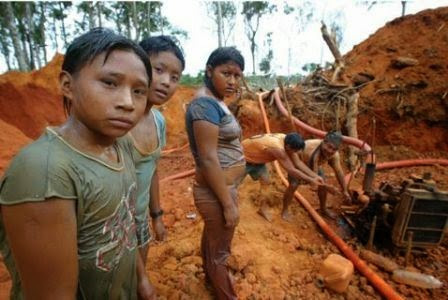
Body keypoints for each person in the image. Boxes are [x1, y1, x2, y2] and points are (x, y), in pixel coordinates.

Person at [0, 28, 152, 299]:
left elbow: (125, 223)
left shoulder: (121, 144)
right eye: (110, 83)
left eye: (139, 91)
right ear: (67, 86)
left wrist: (141, 281)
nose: (128, 102)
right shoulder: (44, 171)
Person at [185, 47, 246, 300]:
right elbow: (209, 159)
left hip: (222, 189)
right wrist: (227, 204)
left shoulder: (216, 100)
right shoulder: (204, 105)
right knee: (221, 252)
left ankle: (212, 280)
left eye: (237, 75)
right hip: (215, 192)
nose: (232, 81)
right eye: (226, 73)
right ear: (209, 71)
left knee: (214, 242)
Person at [130, 35, 185, 295]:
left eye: (175, 77)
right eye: (159, 69)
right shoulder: (118, 122)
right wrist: (142, 278)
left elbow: (152, 169)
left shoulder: (158, 121)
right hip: (111, 229)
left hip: (139, 221)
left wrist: (157, 216)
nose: (166, 82)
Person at [242, 132, 329, 222]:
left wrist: (315, 176)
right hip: (242, 160)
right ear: (288, 147)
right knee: (232, 184)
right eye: (294, 151)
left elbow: (298, 163)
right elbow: (292, 170)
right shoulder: (277, 149)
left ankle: (262, 209)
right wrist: (311, 179)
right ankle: (227, 209)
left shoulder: (286, 139)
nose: (295, 153)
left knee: (266, 183)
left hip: (258, 162)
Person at [291, 130, 352, 219]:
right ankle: (286, 207)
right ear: (323, 141)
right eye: (329, 147)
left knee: (322, 183)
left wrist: (345, 191)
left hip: (314, 167)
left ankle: (323, 209)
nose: (330, 151)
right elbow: (313, 184)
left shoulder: (334, 155)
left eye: (334, 149)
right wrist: (328, 187)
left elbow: (339, 172)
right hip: (299, 163)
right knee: (293, 184)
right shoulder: (311, 150)